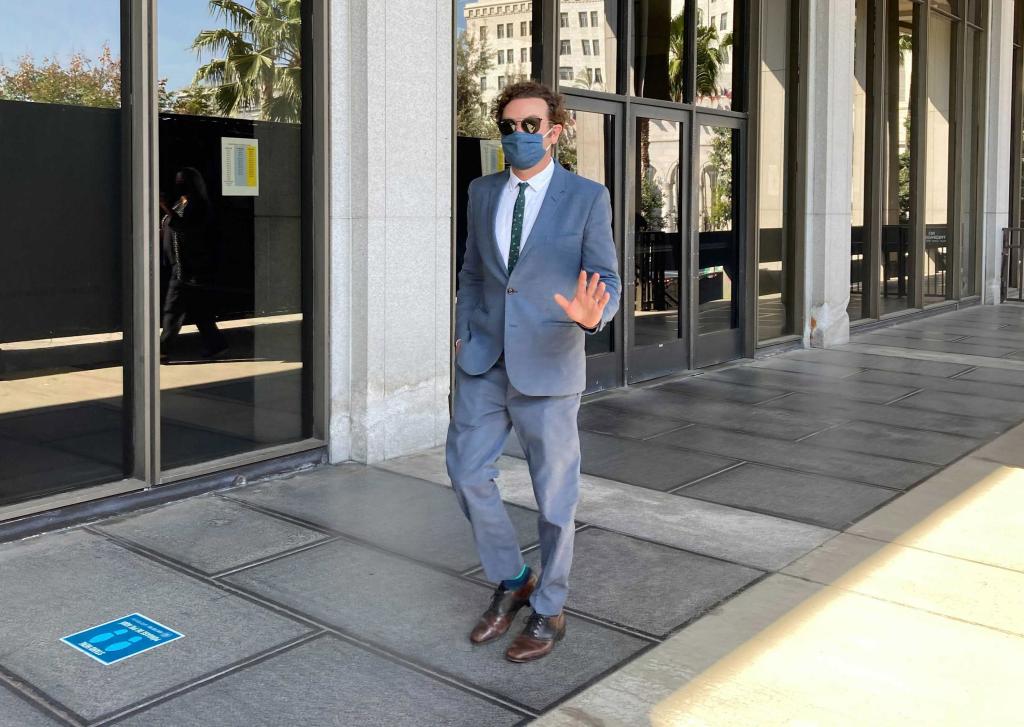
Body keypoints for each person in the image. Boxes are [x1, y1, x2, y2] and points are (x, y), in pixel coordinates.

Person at [446, 81, 621, 663]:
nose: (516, 136)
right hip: (484, 360)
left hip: (548, 361)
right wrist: (465, 326)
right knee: (467, 473)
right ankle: (513, 576)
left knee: (554, 499)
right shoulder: (480, 190)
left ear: (555, 129)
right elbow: (474, 268)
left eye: (529, 126)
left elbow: (607, 278)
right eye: (508, 126)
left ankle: (549, 608)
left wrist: (596, 317)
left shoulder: (587, 197)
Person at [159, 167, 227, 360]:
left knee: (173, 309)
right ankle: (217, 344)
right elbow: (171, 224)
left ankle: (162, 349)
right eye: (177, 180)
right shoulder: (183, 202)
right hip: (179, 264)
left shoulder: (199, 205)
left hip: (187, 267)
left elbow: (184, 228)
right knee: (199, 310)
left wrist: (165, 207)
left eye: (183, 181)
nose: (179, 185)